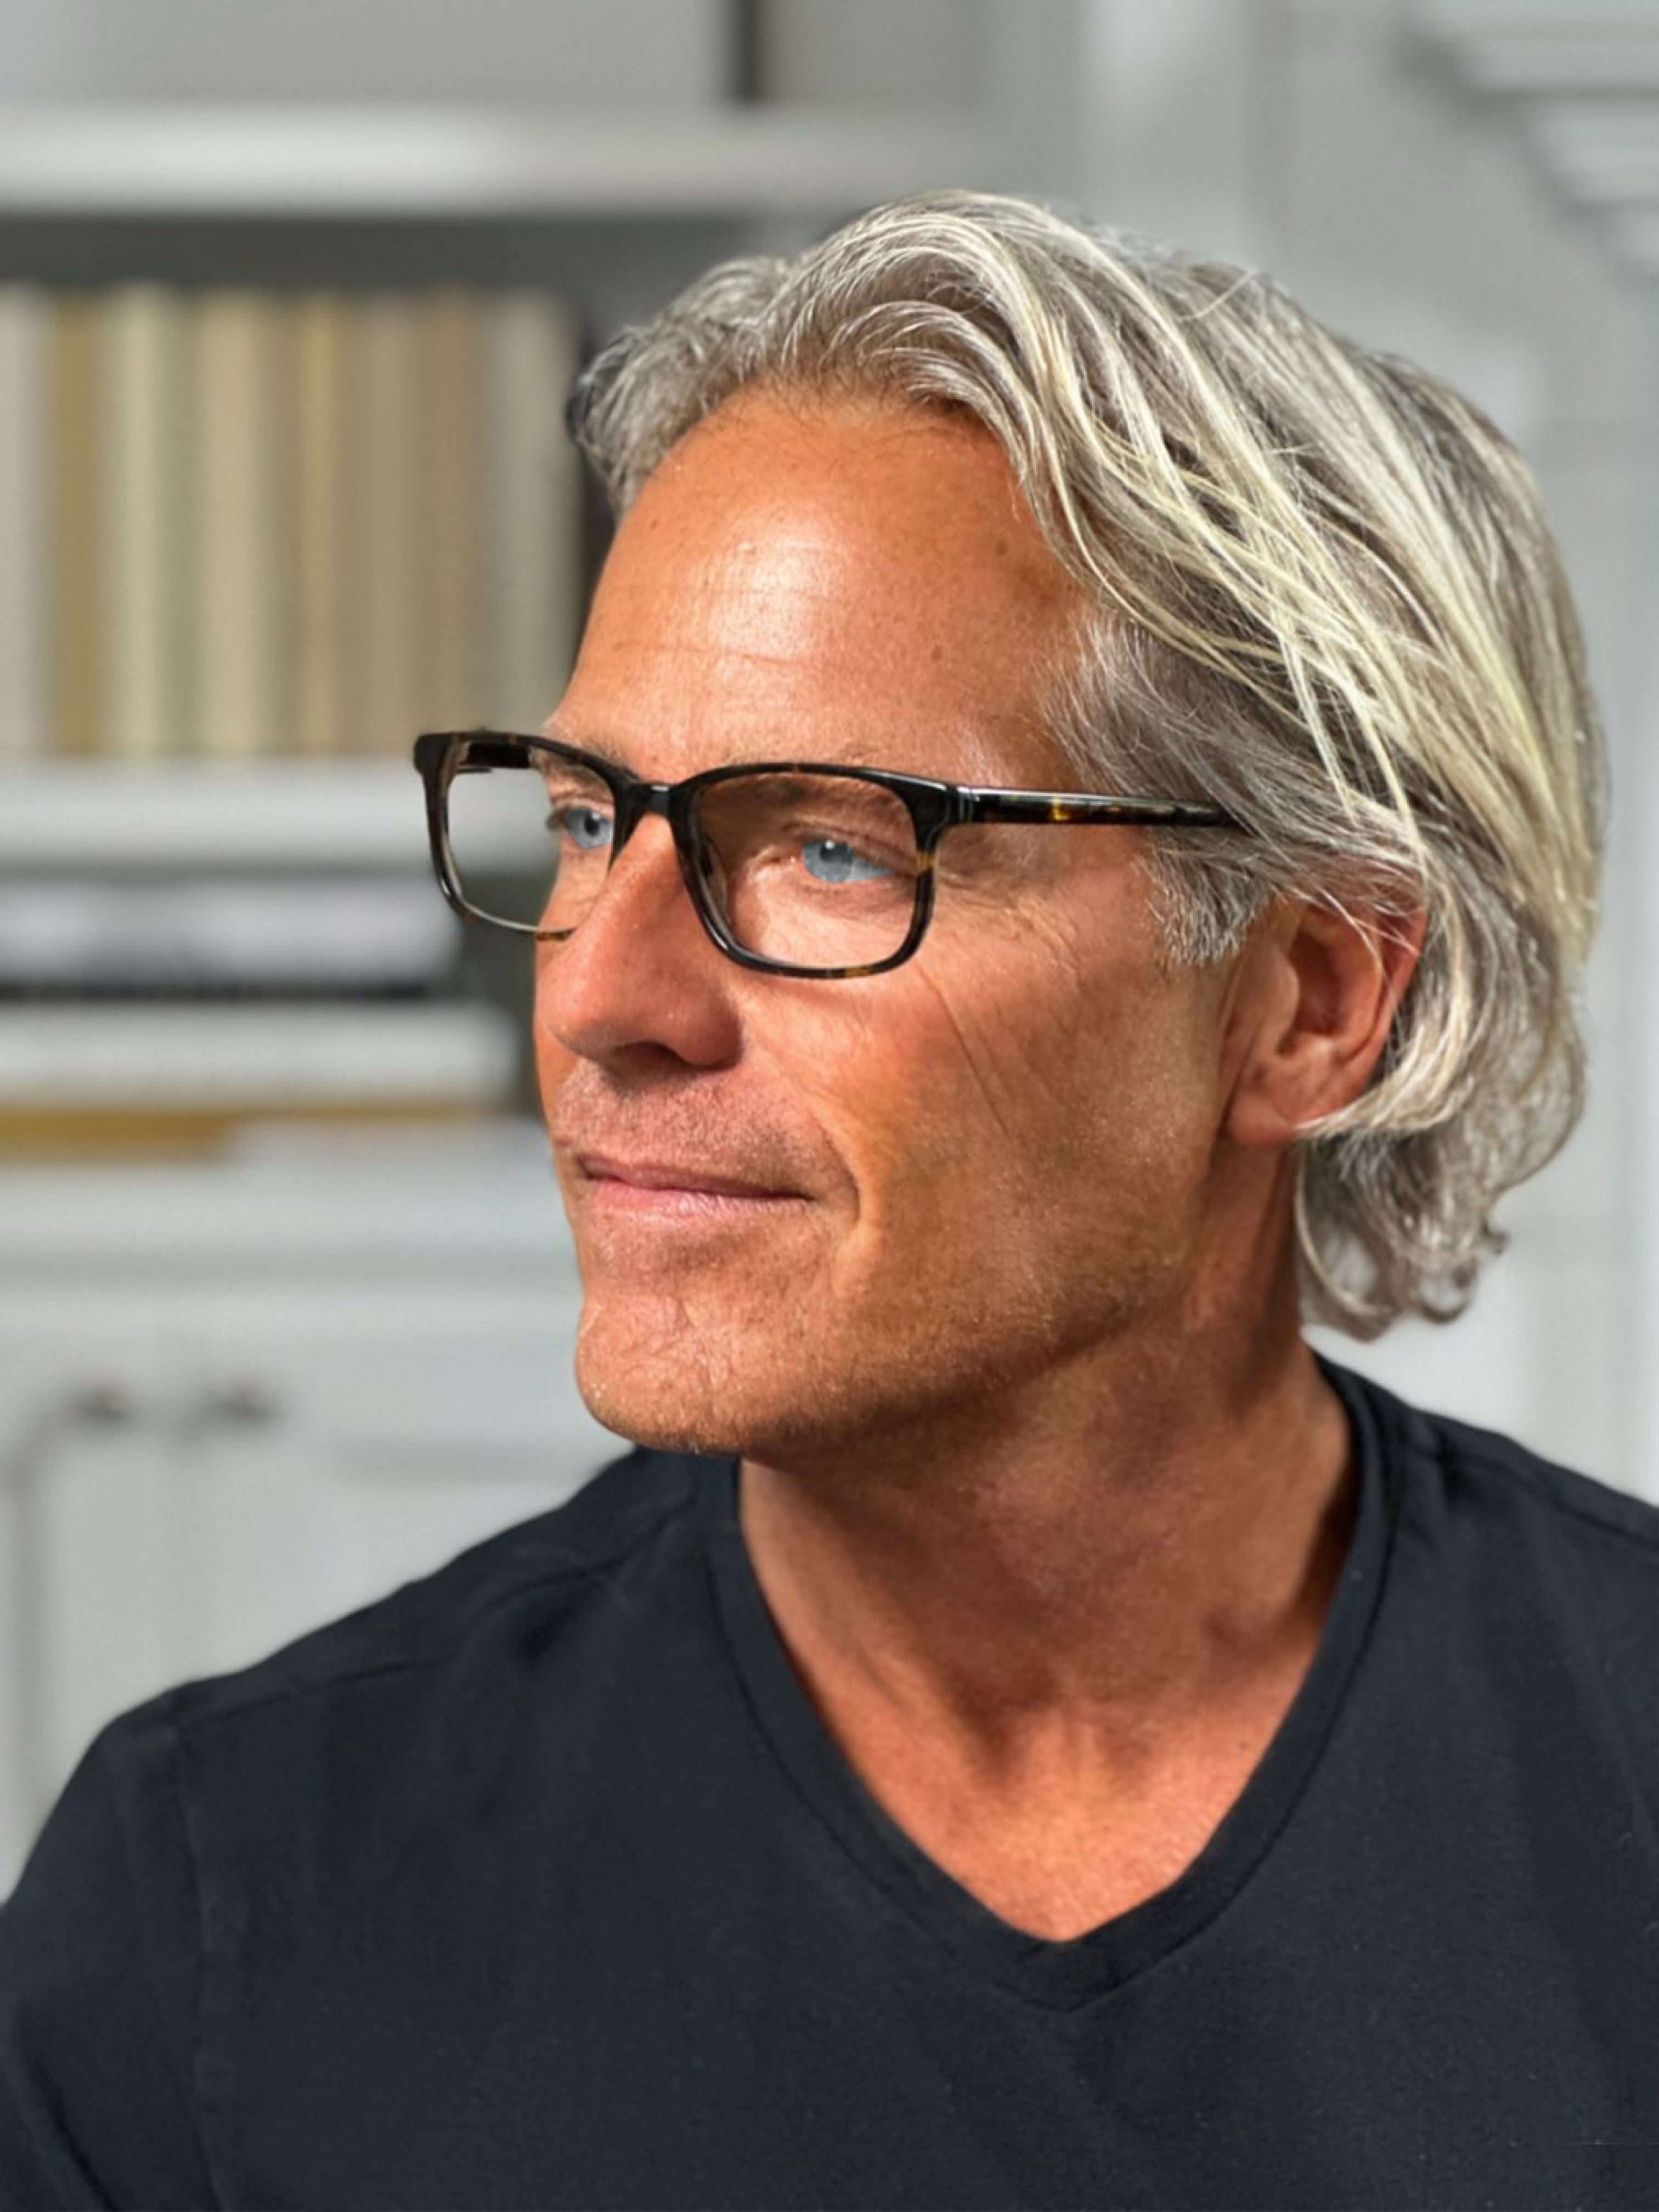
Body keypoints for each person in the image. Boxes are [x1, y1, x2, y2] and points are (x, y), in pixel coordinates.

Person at [2, 190, 1655, 2211]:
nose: (602, 999)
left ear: (1309, 1002)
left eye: (837, 852)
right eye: (592, 817)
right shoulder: (214, 1908)